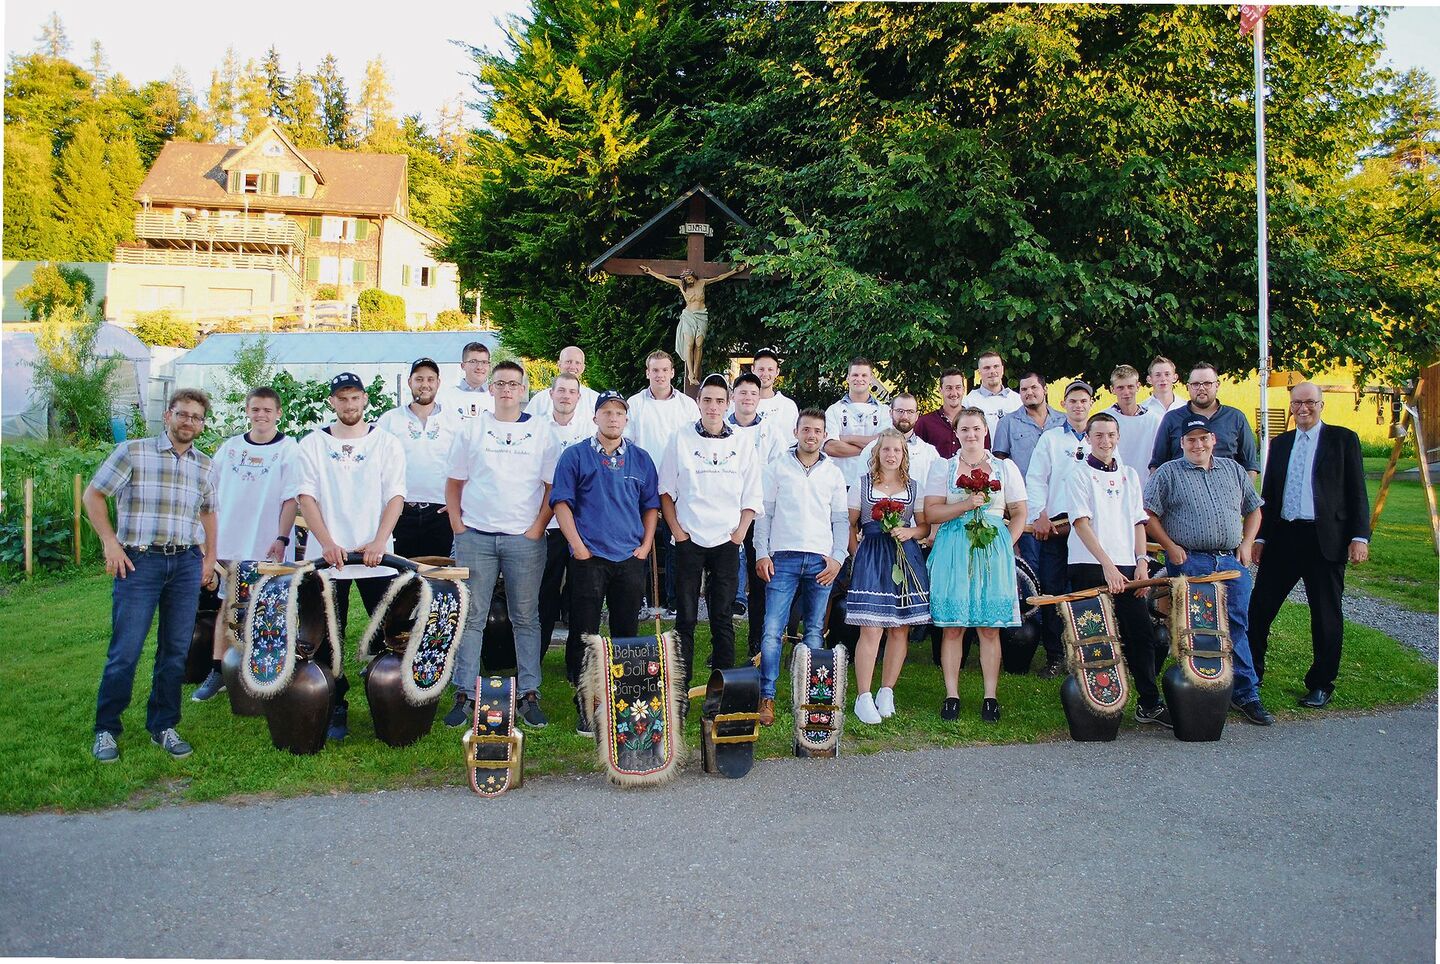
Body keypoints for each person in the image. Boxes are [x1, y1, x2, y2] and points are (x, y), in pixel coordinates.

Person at [84, 388, 218, 762]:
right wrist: (110, 543)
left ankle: (163, 725)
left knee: (175, 651)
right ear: (168, 415)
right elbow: (93, 495)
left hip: (185, 563)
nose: (189, 422)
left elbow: (209, 513)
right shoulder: (133, 452)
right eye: (183, 414)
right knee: (125, 651)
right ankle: (106, 730)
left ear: (202, 424)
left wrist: (210, 558)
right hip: (139, 563)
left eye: (196, 417)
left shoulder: (204, 465)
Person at [443, 360, 559, 730]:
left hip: (523, 539)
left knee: (526, 617)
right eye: (501, 383)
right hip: (476, 535)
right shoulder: (472, 429)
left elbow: (552, 487)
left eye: (513, 384)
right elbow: (454, 482)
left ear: (524, 390)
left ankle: (529, 693)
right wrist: (458, 526)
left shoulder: (541, 431)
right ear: (491, 389)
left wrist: (537, 527)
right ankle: (465, 693)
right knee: (472, 616)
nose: (507, 389)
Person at [296, 372, 408, 740]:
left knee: (391, 635)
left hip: (377, 558)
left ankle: (390, 700)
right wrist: (327, 543)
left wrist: (379, 541)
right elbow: (307, 498)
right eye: (342, 398)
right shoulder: (313, 444)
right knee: (326, 638)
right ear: (332, 402)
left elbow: (395, 496)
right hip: (329, 560)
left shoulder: (386, 443)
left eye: (355, 397)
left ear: (364, 400)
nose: (349, 405)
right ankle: (334, 704)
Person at [1144, 414, 1275, 726]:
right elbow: (1147, 514)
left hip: (1231, 561)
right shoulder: (1168, 473)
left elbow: (1254, 509)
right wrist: (1169, 547)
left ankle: (1245, 693)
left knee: (1238, 623)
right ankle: (1201, 687)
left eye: (1203, 438)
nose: (1198, 445)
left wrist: (1247, 543)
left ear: (1213, 440)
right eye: (1191, 440)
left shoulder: (1233, 470)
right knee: (1197, 627)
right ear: (1182, 443)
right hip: (1191, 561)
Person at [1249, 382, 1371, 708]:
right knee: (1259, 609)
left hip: (1325, 539)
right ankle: (1252, 674)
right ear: (1291, 406)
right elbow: (1269, 496)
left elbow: (1357, 491)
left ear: (1321, 405)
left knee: (1326, 615)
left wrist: (1360, 537)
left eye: (1310, 403)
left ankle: (1321, 683)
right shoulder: (1280, 443)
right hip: (1284, 537)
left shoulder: (1343, 440)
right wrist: (1260, 537)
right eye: (1297, 403)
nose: (1303, 409)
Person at [551, 390, 660, 734]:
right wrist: (577, 547)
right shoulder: (575, 455)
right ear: (595, 417)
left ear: (626, 419)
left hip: (629, 558)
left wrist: (645, 546)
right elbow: (561, 503)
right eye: (607, 412)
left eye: (619, 413)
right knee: (584, 632)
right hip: (589, 557)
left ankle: (623, 701)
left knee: (626, 631)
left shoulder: (641, 459)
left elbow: (650, 506)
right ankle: (585, 702)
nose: (613, 418)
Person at [191, 386, 300, 703]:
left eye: (267, 410)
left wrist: (281, 537)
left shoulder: (289, 450)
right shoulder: (230, 448)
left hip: (268, 545)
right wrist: (207, 539)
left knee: (271, 609)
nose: (261, 415)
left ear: (278, 413)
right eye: (255, 409)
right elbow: (208, 492)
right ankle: (218, 671)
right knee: (227, 608)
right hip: (231, 544)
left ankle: (269, 673)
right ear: (247, 411)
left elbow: (291, 499)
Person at [1065, 412, 1170, 726]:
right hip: (1088, 564)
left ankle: (1149, 703)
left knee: (1141, 634)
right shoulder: (1079, 474)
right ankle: (1097, 704)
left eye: (1111, 435)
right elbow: (1081, 524)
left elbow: (1139, 521)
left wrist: (1142, 562)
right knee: (1094, 637)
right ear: (1088, 438)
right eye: (1098, 435)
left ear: (1118, 437)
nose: (1105, 441)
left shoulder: (1130, 475)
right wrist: (1107, 566)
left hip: (1127, 566)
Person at [659, 374, 763, 692]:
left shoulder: (742, 443)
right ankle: (680, 685)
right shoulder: (680, 438)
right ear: (698, 402)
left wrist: (739, 534)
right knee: (686, 617)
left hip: (726, 541)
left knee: (722, 616)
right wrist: (677, 532)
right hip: (689, 540)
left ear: (728, 403)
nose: (713, 407)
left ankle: (722, 688)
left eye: (719, 401)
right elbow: (666, 492)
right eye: (707, 400)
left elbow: (752, 495)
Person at [924, 408, 1026, 723]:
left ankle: (990, 697)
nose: (971, 435)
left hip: (991, 548)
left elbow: (1019, 511)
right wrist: (966, 504)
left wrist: (1005, 544)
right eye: (965, 429)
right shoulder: (944, 467)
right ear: (956, 433)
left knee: (989, 628)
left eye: (976, 429)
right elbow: (931, 513)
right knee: (953, 627)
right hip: (954, 548)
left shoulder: (1004, 468)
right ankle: (951, 695)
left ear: (985, 431)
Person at [753, 408, 849, 727]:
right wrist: (761, 553)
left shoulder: (833, 473)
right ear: (796, 432)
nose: (811, 435)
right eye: (806, 429)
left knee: (814, 631)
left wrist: (838, 558)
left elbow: (840, 520)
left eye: (817, 431)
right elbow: (764, 514)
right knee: (772, 629)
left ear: (824, 435)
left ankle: (809, 698)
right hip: (783, 558)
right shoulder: (776, 468)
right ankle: (767, 696)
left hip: (821, 561)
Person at [847, 429, 931, 725]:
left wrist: (910, 531)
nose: (891, 455)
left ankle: (886, 691)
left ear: (904, 454)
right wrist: (856, 553)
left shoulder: (914, 487)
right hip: (872, 556)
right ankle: (863, 696)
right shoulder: (862, 485)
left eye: (897, 450)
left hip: (904, 557)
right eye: (886, 450)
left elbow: (924, 527)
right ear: (877, 453)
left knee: (899, 628)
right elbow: (850, 523)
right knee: (871, 628)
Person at [1024, 380, 1095, 677]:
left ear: (1091, 403)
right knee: (1053, 591)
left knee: (1086, 591)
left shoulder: (1100, 437)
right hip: (1056, 526)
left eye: (1083, 401)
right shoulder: (1051, 439)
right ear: (1063, 404)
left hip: (1089, 529)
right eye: (1073, 401)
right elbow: (1036, 478)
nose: (1078, 406)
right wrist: (1039, 515)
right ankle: (1055, 656)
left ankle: (1087, 654)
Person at [626, 350, 700, 614]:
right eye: (655, 370)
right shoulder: (634, 404)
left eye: (664, 370)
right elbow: (628, 443)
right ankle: (641, 600)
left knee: (675, 542)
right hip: (642, 484)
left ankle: (673, 601)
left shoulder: (687, 406)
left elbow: (694, 443)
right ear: (648, 373)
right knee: (639, 542)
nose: (660, 375)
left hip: (677, 485)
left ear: (672, 373)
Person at [376, 357, 459, 559]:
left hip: (440, 511)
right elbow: (376, 464)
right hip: (401, 511)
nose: (425, 384)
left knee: (435, 573)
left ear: (438, 383)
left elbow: (466, 465)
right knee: (401, 572)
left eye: (430, 379)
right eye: (419, 379)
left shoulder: (454, 421)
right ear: (410, 382)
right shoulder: (390, 420)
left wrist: (457, 502)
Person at [537, 373, 595, 660]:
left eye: (572, 391)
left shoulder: (588, 431)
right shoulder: (536, 428)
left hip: (580, 525)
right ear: (551, 394)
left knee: (580, 596)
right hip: (547, 525)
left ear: (579, 397)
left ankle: (577, 662)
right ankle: (536, 656)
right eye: (561, 390)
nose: (566, 396)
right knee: (544, 592)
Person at [726, 371, 784, 622]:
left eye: (753, 393)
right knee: (726, 573)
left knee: (758, 571)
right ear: (733, 396)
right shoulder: (722, 428)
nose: (748, 397)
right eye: (742, 392)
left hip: (759, 512)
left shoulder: (771, 432)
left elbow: (778, 471)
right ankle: (724, 633)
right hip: (727, 511)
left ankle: (757, 637)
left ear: (759, 398)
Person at [637, 262, 747, 387]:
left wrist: (734, 271)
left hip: (701, 315)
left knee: (699, 344)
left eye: (690, 278)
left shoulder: (702, 283)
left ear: (694, 277)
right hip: (688, 316)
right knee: (689, 344)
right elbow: (665, 278)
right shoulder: (681, 285)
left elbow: (719, 278)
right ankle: (690, 374)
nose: (689, 280)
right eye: (686, 279)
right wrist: (650, 272)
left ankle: (695, 371)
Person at [1150, 362, 1259, 478]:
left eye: (1207, 383)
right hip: (1182, 487)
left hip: (1227, 486)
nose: (1201, 388)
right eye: (1195, 384)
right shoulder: (1172, 419)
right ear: (1188, 387)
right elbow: (1157, 465)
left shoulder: (1235, 418)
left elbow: (1249, 465)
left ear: (1217, 385)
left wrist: (1245, 489)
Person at [824, 357, 892, 489]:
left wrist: (847, 438)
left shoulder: (884, 411)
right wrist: (872, 448)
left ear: (871, 379)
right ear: (848, 378)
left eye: (864, 375)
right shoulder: (834, 410)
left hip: (874, 482)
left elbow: (884, 444)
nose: (859, 379)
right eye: (855, 375)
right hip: (841, 483)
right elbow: (831, 447)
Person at [859, 393, 940, 501]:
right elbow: (861, 488)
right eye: (900, 411)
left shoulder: (930, 453)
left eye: (910, 412)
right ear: (891, 413)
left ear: (917, 415)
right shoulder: (872, 449)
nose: (905, 416)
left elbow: (937, 492)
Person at [1105, 364, 1163, 486]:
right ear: (1112, 389)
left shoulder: (1154, 420)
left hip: (1147, 484)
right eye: (1120, 388)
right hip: (1113, 485)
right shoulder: (1104, 420)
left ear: (1138, 386)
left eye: (1130, 386)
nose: (1126, 392)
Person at [525, 345, 599, 421]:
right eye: (568, 362)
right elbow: (524, 425)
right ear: (559, 365)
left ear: (583, 367)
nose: (572, 367)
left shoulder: (594, 399)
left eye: (577, 363)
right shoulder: (541, 399)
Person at [962, 350, 1022, 436]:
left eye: (996, 366)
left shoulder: (1018, 400)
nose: (992, 371)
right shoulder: (969, 402)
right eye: (987, 368)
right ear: (979, 372)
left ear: (1002, 369)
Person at [747, 347, 800, 439]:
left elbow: (792, 441)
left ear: (777, 372)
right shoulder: (740, 403)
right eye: (761, 369)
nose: (765, 374)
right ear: (753, 369)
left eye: (770, 369)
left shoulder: (788, 406)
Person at [914, 369, 968, 459]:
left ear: (963, 390)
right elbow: (915, 454)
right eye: (949, 388)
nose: (954, 393)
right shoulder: (925, 423)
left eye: (958, 387)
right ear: (940, 390)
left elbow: (984, 455)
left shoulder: (975, 422)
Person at [442, 341, 494, 421]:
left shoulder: (497, 397)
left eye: (484, 362)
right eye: (473, 361)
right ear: (463, 366)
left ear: (489, 366)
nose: (479, 367)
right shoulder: (446, 397)